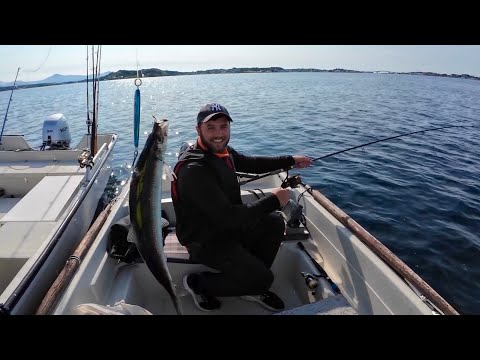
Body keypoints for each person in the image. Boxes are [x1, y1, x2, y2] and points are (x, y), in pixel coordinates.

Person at [171, 103, 312, 312]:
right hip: (204, 239)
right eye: (211, 128)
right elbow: (230, 218)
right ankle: (197, 283)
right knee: (264, 279)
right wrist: (275, 200)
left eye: (223, 126)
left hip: (225, 228)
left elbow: (250, 163)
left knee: (274, 221)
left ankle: (249, 282)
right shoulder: (194, 169)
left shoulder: (221, 151)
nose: (219, 134)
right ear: (198, 129)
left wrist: (289, 160)